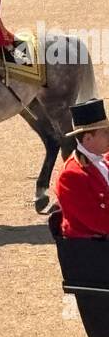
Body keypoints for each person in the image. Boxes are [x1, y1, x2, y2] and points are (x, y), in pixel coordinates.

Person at [55, 99, 109, 238]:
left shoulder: (103, 159)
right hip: (93, 250)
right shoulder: (72, 175)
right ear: (88, 138)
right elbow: (98, 223)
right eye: (105, 133)